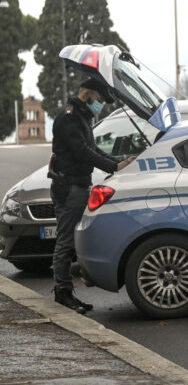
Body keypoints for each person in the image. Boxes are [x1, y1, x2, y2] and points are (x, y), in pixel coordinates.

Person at [49, 78, 136, 314]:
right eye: (98, 100)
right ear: (87, 95)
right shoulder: (69, 117)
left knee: (69, 241)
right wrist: (113, 168)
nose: (100, 105)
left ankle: (65, 291)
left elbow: (93, 147)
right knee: (66, 242)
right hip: (69, 186)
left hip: (77, 184)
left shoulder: (82, 116)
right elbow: (82, 151)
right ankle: (62, 293)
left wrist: (116, 163)